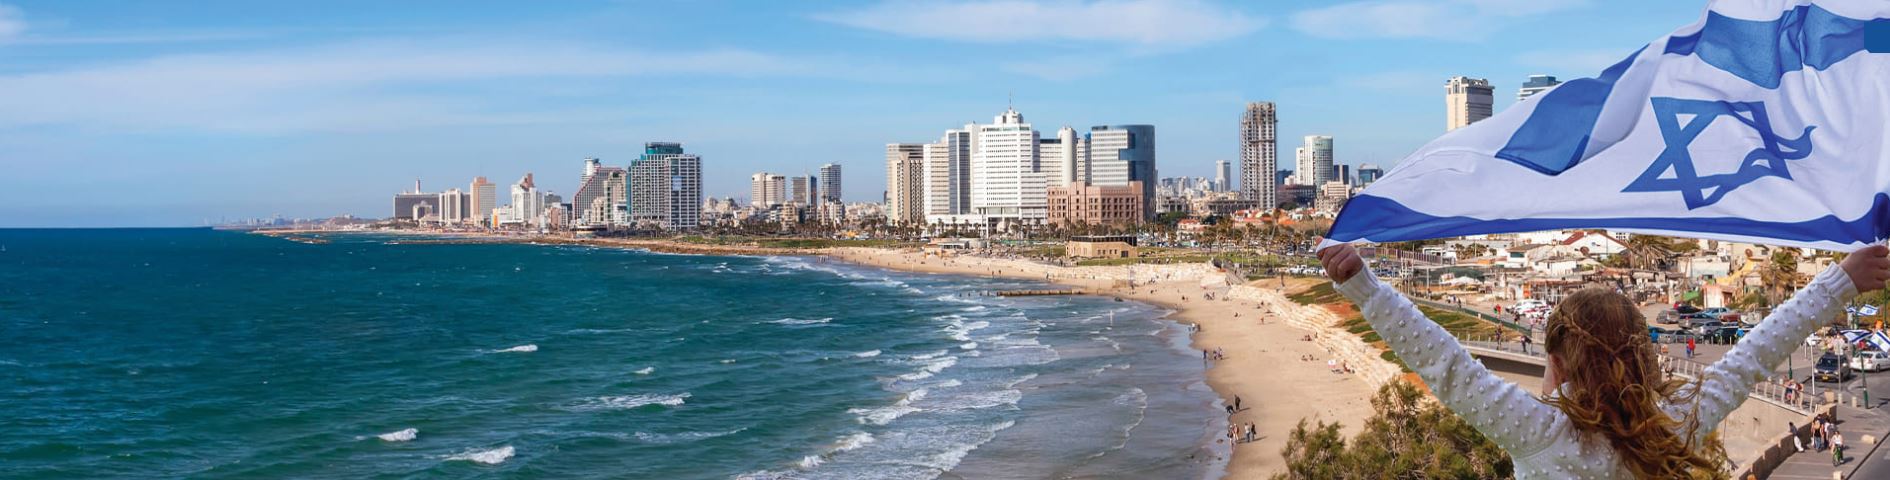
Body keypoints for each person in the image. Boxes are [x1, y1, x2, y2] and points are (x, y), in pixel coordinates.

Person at [1317, 241, 1890, 478]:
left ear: (1559, 363)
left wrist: (1365, 288)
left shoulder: (1542, 430)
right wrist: (1840, 281)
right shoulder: (1680, 416)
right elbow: (1758, 351)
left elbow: (1446, 365)